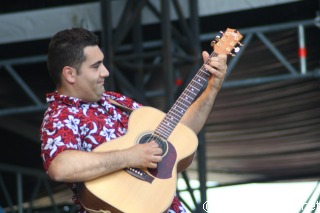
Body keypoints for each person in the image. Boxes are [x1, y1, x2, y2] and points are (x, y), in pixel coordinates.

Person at [40, 27, 227, 213]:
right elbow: (60, 167)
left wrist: (211, 89)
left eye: (103, 63)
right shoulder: (59, 116)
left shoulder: (117, 100)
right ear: (70, 74)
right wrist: (131, 156)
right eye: (96, 66)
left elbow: (178, 136)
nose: (105, 72)